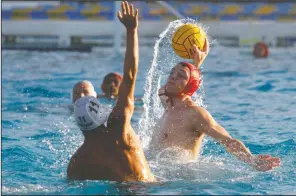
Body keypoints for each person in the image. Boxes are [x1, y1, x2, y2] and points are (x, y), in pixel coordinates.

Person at [149, 39, 280, 171]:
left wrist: (251, 160)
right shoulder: (170, 105)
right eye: (172, 72)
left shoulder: (195, 113)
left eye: (180, 75)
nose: (172, 77)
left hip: (178, 180)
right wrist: (195, 64)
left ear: (190, 84)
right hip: (158, 169)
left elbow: (227, 140)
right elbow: (162, 91)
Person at [67, 1, 156, 182]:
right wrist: (131, 31)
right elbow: (130, 74)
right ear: (100, 111)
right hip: (151, 190)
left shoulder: (77, 161)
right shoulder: (119, 124)